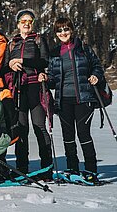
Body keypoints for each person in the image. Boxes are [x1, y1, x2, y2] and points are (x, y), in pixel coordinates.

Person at [39, 17, 103, 178]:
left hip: (84, 98)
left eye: (66, 29)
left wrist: (95, 75)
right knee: (68, 136)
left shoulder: (83, 48)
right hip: (63, 100)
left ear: (72, 30)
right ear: (55, 33)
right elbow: (53, 79)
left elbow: (97, 66)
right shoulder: (54, 54)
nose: (63, 33)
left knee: (83, 133)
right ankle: (72, 168)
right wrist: (46, 78)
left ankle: (91, 170)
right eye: (59, 30)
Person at [2, 9, 52, 178]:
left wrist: (23, 61)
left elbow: (44, 61)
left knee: (39, 126)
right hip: (18, 88)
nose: (26, 24)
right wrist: (11, 65)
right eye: (23, 21)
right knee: (21, 129)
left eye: (29, 21)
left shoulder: (38, 40)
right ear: (18, 24)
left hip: (35, 87)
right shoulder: (12, 43)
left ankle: (47, 167)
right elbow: (4, 66)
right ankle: (22, 168)